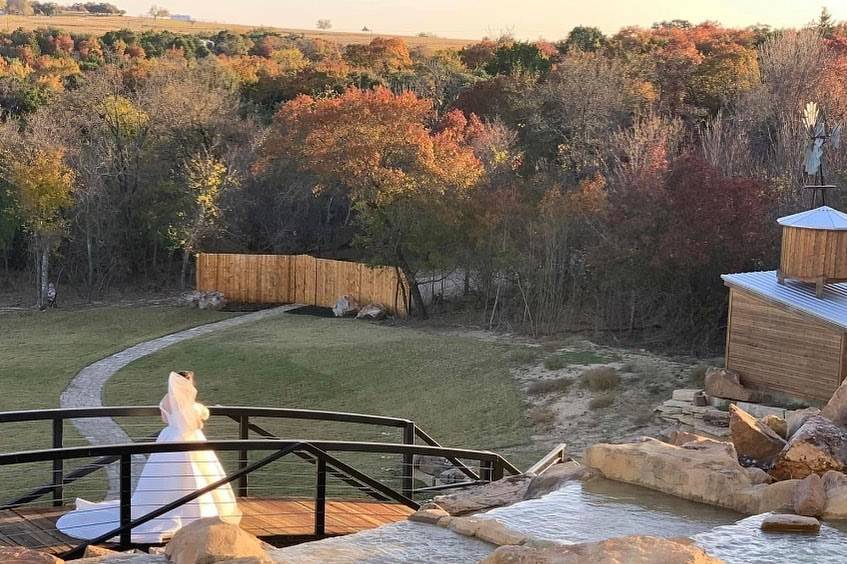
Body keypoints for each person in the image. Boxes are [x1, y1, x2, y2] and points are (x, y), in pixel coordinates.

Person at [56, 371, 241, 543]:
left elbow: (165, 418)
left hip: (172, 438)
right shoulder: (193, 406)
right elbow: (199, 418)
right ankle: (195, 511)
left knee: (168, 477)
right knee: (197, 476)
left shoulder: (169, 401)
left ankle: (166, 508)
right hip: (193, 440)